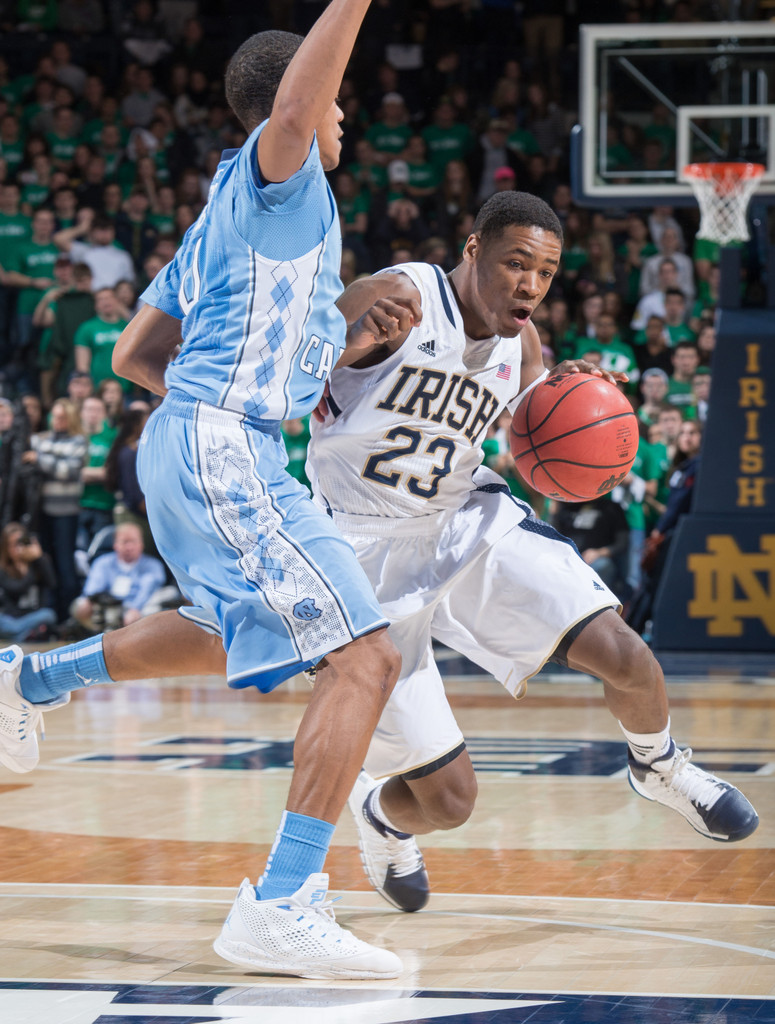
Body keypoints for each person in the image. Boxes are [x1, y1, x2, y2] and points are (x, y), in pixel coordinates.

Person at [0, 4, 402, 983]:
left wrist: (326, 345)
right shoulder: (284, 174)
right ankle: (283, 899)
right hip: (225, 446)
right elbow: (301, 110)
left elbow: (138, 354)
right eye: (332, 103)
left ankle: (28, 679)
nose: (339, 120)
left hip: (195, 440)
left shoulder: (223, 211)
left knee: (232, 628)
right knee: (365, 659)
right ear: (294, 106)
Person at [302, 191, 757, 915]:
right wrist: (339, 347)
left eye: (544, 273)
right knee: (448, 802)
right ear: (472, 248)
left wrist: (575, 411)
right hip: (360, 552)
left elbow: (530, 437)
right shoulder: (395, 297)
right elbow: (283, 375)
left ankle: (659, 765)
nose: (528, 285)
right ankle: (383, 818)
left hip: (462, 521)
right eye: (515, 263)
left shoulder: (525, 347)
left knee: (623, 652)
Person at [72, 521, 167, 632]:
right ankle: (96, 635)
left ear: (141, 544)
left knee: (157, 605)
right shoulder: (103, 562)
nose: (129, 547)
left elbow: (147, 590)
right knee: (81, 605)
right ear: (115, 545)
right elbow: (92, 590)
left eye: (133, 542)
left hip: (139, 609)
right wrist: (91, 601)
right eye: (125, 542)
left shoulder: (153, 565)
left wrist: (135, 609)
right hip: (108, 607)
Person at [0, 522, 57, 642]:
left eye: (21, 543)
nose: (18, 549)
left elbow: (52, 583)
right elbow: (17, 589)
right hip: (10, 618)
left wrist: (38, 558)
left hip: (34, 616)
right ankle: (24, 634)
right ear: (6, 547)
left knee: (49, 615)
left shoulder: (39, 562)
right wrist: (29, 568)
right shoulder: (3, 568)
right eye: (13, 545)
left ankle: (18, 636)